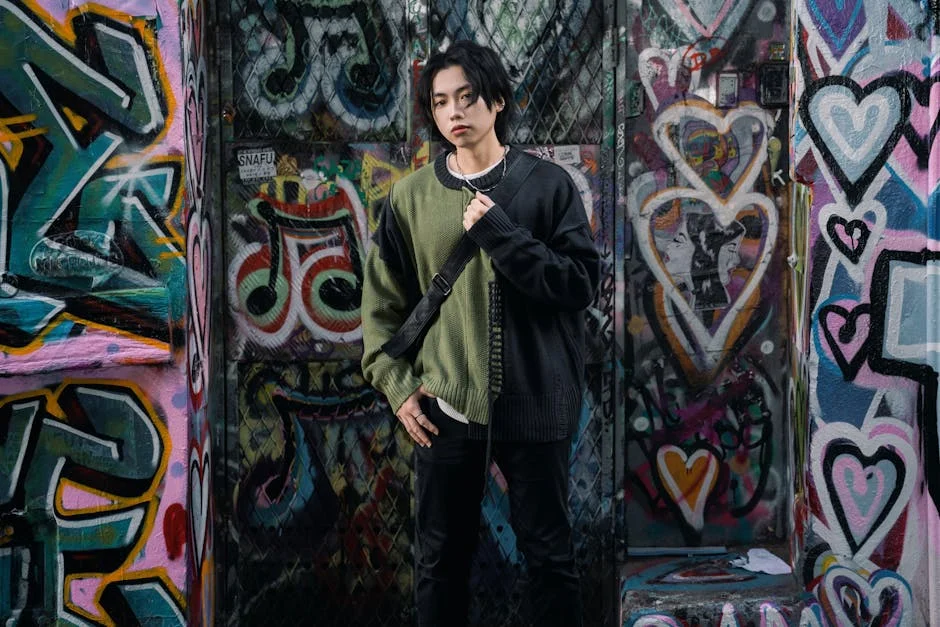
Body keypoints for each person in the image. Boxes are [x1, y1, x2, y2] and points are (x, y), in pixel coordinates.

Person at [360, 40, 600, 627]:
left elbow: (579, 284)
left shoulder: (548, 186)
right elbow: (382, 305)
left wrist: (501, 235)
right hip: (446, 407)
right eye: (441, 102)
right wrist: (397, 386)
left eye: (467, 97)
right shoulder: (411, 198)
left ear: (497, 101)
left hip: (536, 404)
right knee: (440, 562)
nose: (454, 112)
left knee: (550, 559)